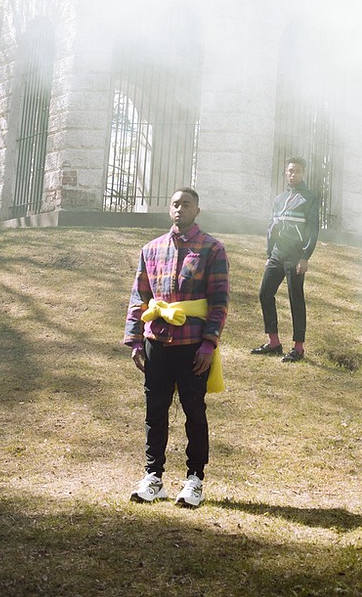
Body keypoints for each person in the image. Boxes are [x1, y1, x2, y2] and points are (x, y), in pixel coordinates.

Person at [124, 188, 229, 507]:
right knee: (154, 411)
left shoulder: (212, 249)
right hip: (156, 341)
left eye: (186, 204)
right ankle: (153, 478)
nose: (180, 209)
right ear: (169, 209)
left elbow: (220, 302)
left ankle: (195, 480)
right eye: (175, 204)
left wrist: (209, 343)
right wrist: (134, 339)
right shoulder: (151, 248)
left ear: (197, 210)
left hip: (193, 344)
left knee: (194, 411)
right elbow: (138, 296)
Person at [251, 155, 319, 362]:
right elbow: (272, 227)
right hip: (277, 254)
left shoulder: (310, 198)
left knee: (295, 299)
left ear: (303, 173)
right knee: (265, 293)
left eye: (297, 171)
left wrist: (305, 257)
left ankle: (298, 348)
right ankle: (274, 343)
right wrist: (269, 253)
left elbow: (313, 230)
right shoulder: (279, 199)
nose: (293, 174)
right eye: (290, 171)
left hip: (296, 255)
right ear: (285, 172)